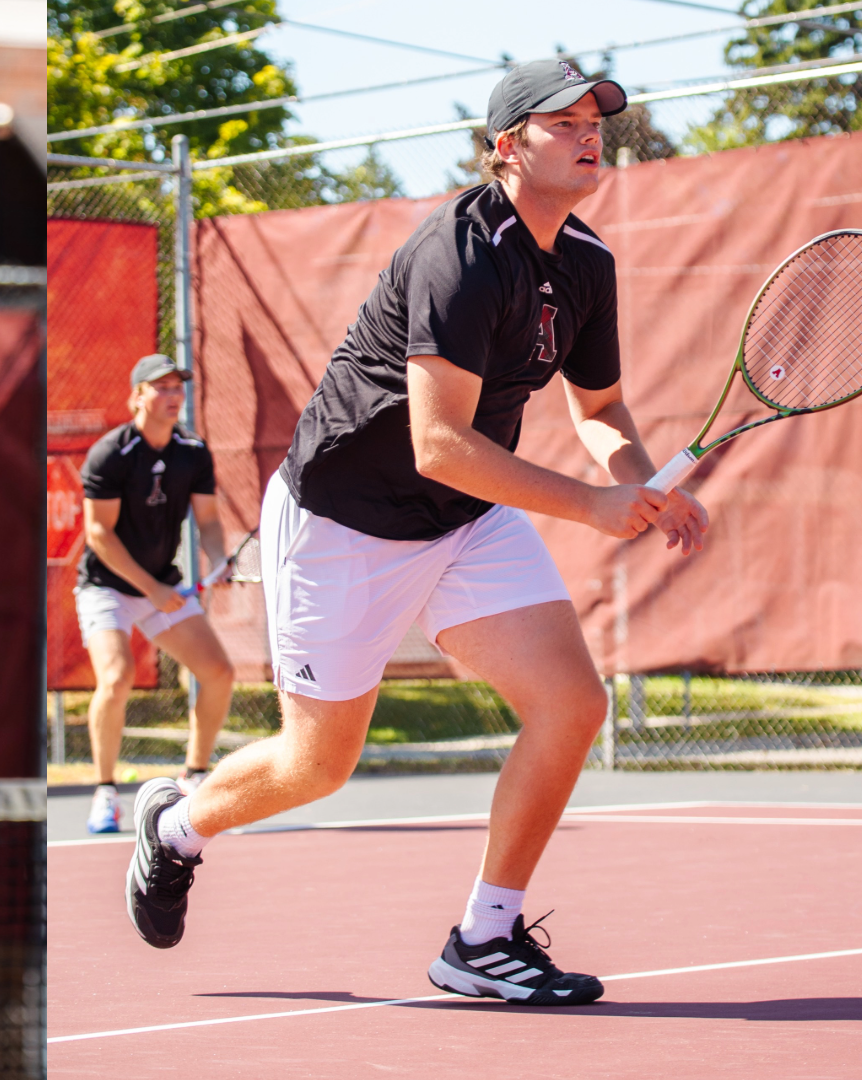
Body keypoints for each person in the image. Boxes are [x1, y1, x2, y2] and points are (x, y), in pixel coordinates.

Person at [125, 60, 709, 1005]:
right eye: (562, 121)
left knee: (571, 705)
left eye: (597, 118)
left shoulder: (587, 265)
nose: (591, 132)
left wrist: (644, 484)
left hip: (465, 520)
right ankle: (178, 827)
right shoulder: (460, 253)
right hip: (343, 521)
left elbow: (599, 406)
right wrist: (593, 507)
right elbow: (438, 443)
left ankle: (483, 939)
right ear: (506, 146)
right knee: (318, 765)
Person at [77, 354, 235, 833]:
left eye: (178, 386)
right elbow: (98, 534)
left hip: (160, 586)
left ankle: (194, 776)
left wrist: (217, 556)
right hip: (107, 586)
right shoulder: (110, 453)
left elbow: (207, 521)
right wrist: (152, 589)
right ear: (137, 396)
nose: (172, 395)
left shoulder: (193, 450)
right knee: (117, 677)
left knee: (219, 672)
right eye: (161, 387)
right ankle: (105, 791)